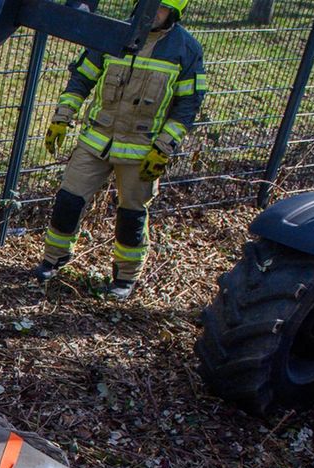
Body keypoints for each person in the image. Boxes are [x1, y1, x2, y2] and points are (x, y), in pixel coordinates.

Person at [33, 0, 205, 299]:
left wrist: (163, 147)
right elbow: (82, 77)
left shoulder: (185, 50)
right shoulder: (114, 34)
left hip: (142, 150)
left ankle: (125, 276)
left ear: (174, 14)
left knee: (132, 215)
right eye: (149, 6)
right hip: (97, 139)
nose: (152, 14)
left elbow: (188, 105)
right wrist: (62, 116)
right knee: (68, 200)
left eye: (161, 9)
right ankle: (54, 258)